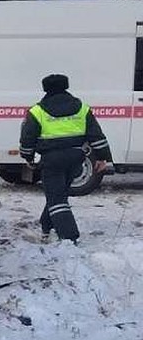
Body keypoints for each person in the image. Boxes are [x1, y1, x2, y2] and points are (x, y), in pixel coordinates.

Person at [19, 74, 114, 242]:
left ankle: (69, 237)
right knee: (59, 194)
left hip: (52, 160)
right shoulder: (82, 108)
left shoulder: (37, 111)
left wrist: (28, 156)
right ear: (66, 86)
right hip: (77, 159)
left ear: (45, 89)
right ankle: (46, 225)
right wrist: (102, 157)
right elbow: (96, 135)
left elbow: (28, 138)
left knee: (56, 198)